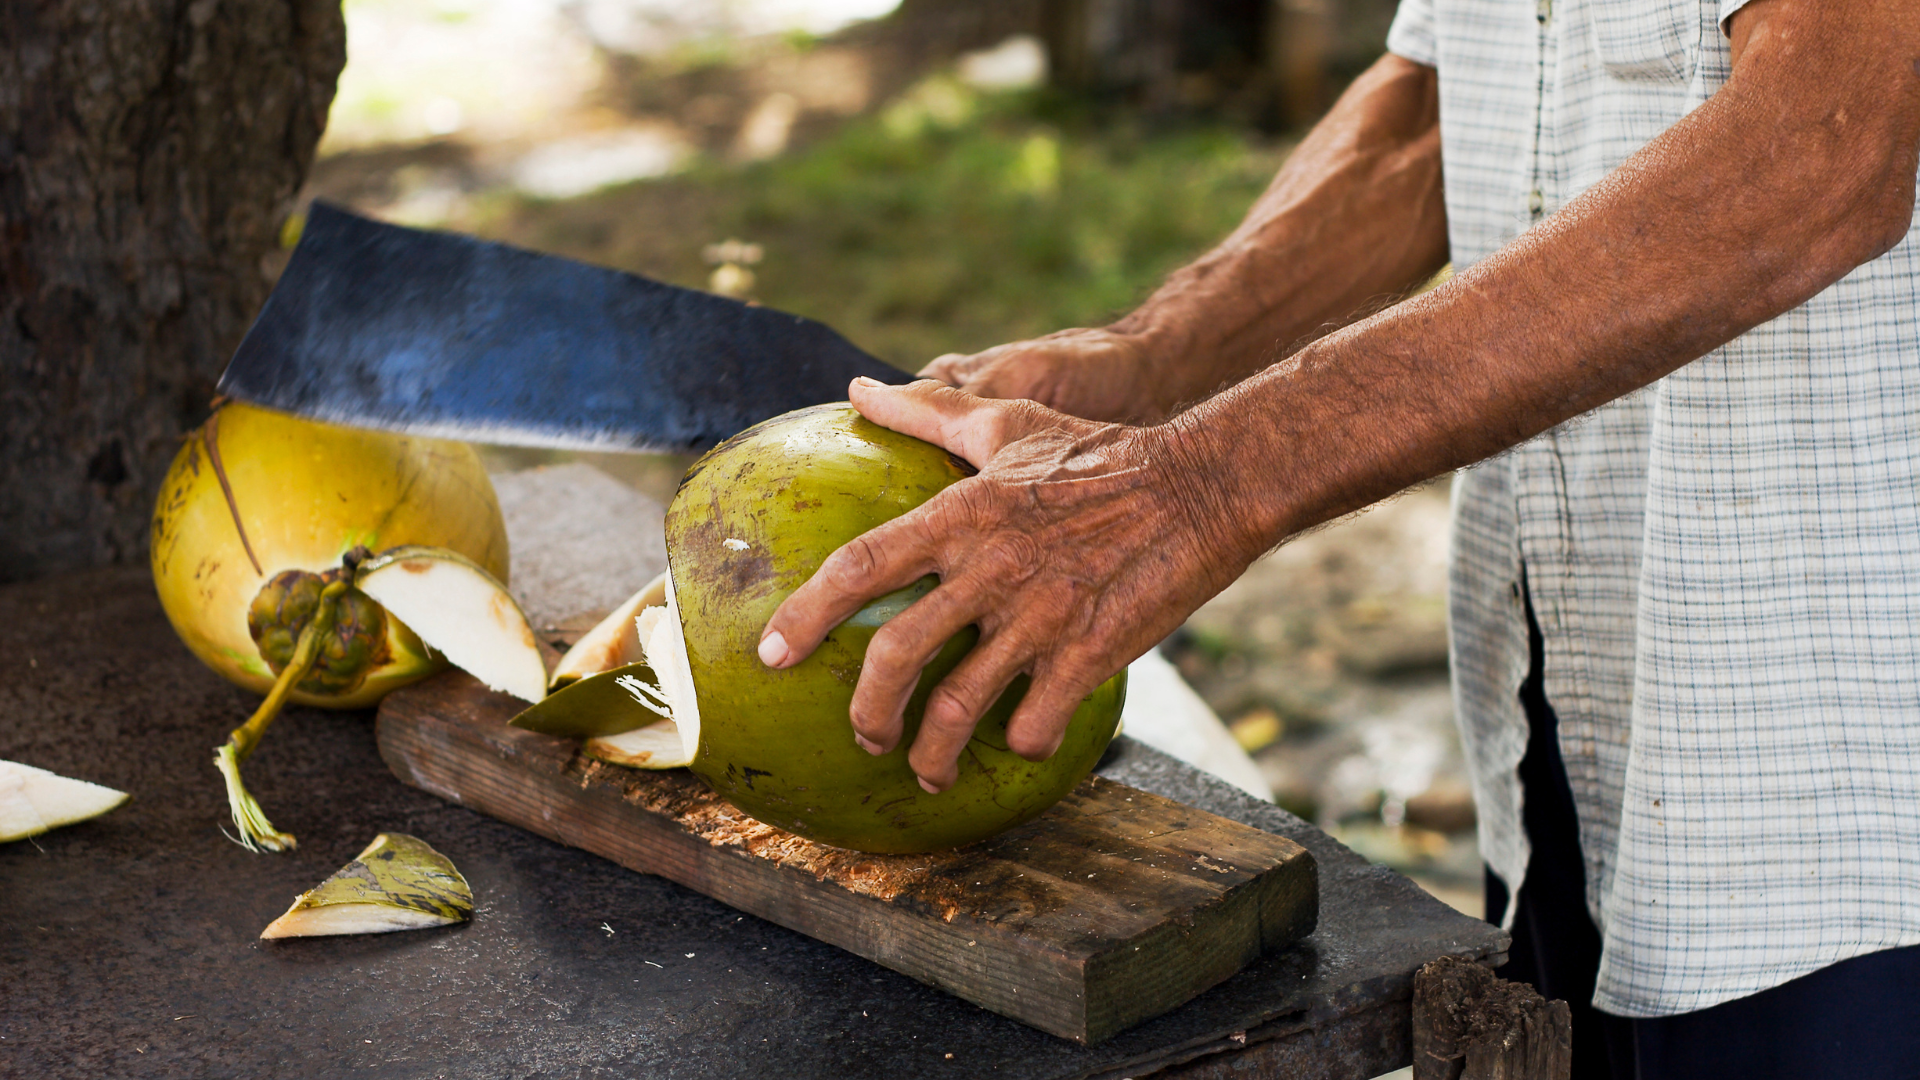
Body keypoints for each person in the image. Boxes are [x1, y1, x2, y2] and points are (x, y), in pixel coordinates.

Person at [756, 0, 1920, 1073]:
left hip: (1844, 783)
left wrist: (1196, 484)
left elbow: (1819, 148)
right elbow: (1434, 109)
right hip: (1580, 707)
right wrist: (1160, 355)